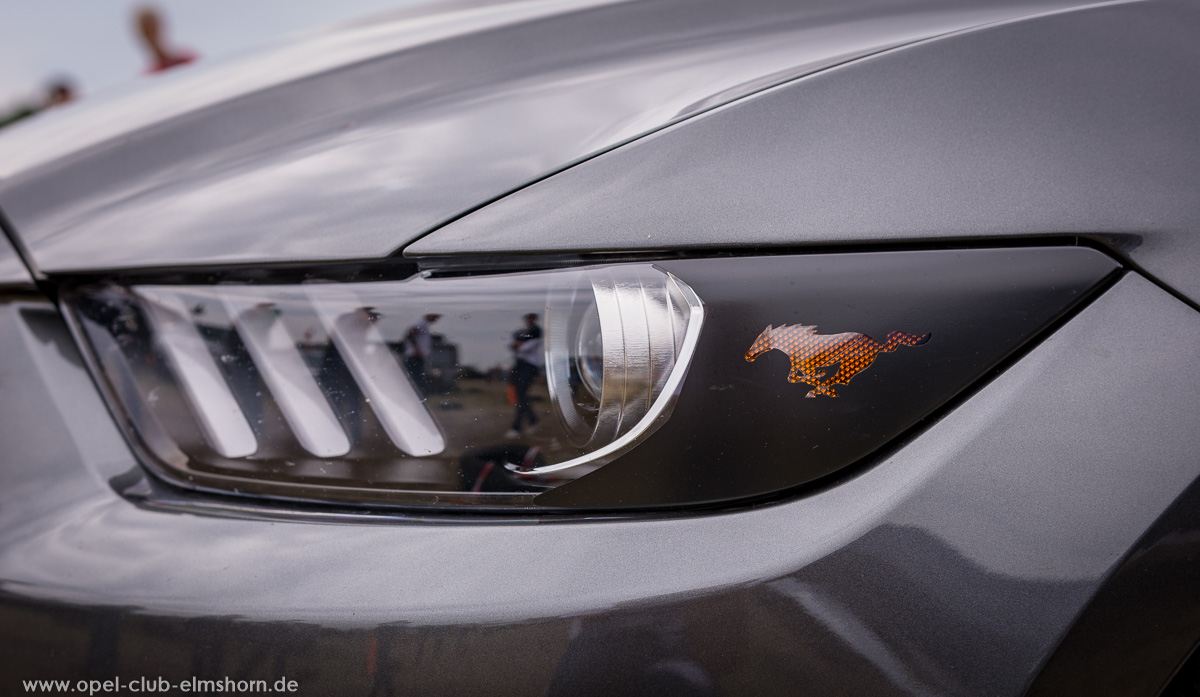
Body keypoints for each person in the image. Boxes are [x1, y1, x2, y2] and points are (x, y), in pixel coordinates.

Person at [506, 313, 543, 438]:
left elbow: (525, 348)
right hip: (519, 364)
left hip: (529, 365)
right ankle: (531, 420)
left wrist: (518, 345)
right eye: (528, 318)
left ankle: (517, 426)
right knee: (520, 395)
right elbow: (510, 344)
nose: (529, 320)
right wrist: (518, 344)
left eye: (532, 318)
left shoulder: (536, 331)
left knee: (521, 394)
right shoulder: (520, 332)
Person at [134, 5, 198, 74]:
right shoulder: (149, 76)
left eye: (153, 29)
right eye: (146, 31)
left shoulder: (188, 59)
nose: (151, 36)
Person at [404, 313, 440, 396]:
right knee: (416, 379)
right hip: (414, 356)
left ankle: (417, 396)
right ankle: (416, 396)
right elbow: (410, 333)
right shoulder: (421, 324)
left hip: (417, 356)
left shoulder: (424, 325)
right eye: (434, 317)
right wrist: (417, 349)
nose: (435, 320)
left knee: (418, 378)